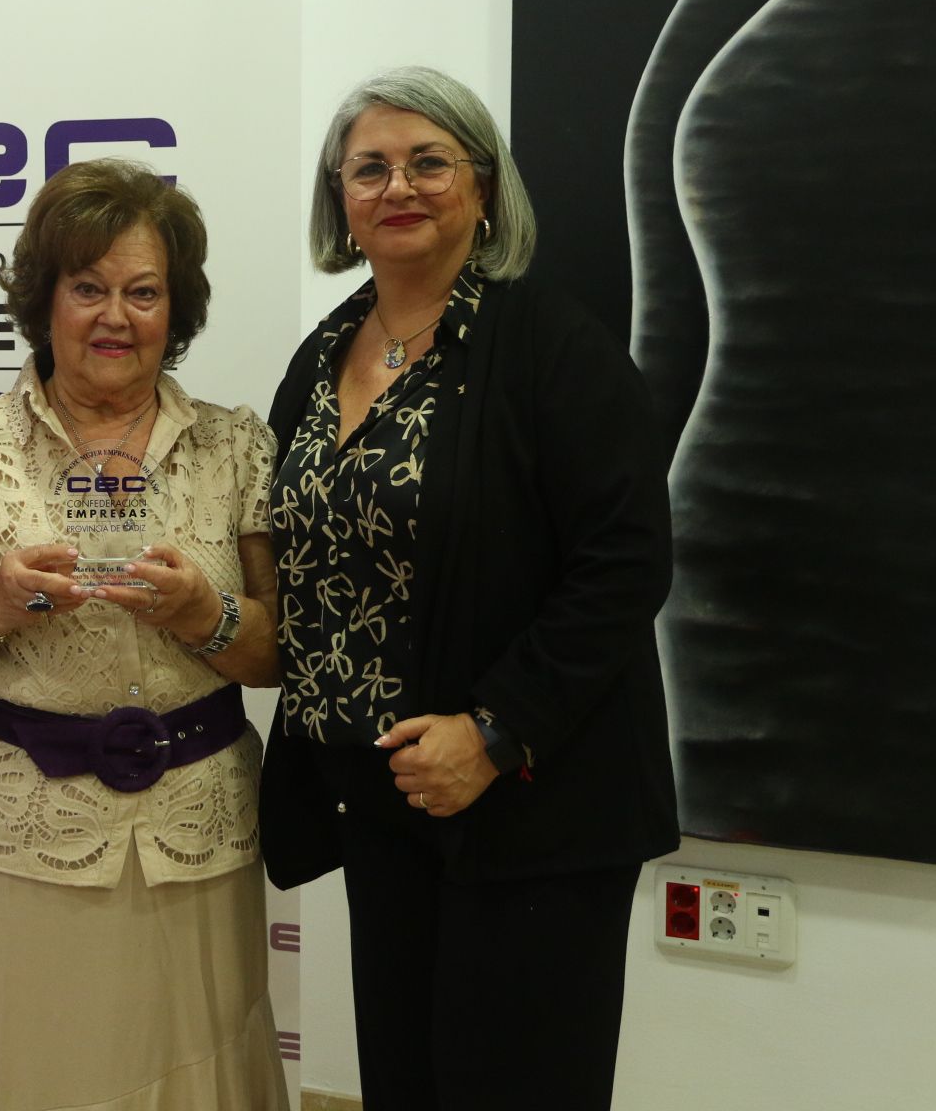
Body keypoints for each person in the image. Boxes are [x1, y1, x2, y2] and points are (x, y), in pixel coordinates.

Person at [260, 66, 679, 1110]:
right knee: (406, 1080)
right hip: (382, 800)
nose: (399, 185)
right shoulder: (319, 356)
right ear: (340, 200)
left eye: (429, 161)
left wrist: (494, 730)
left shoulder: (552, 348)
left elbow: (625, 562)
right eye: (370, 167)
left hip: (533, 807)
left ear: (484, 189)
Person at [0, 158, 290, 1111]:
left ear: (176, 312)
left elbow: (280, 647)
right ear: (42, 298)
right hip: (19, 844)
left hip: (197, 839)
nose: (115, 317)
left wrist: (207, 617)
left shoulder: (236, 446)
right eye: (88, 288)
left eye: (144, 293)